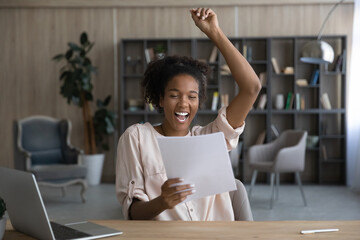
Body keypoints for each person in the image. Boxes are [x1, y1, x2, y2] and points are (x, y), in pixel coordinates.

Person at [116, 8, 261, 221]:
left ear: (198, 101)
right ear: (160, 99)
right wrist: (162, 202)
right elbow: (132, 212)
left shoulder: (210, 139)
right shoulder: (137, 138)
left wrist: (215, 33)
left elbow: (252, 87)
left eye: (192, 97)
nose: (184, 103)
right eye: (174, 95)